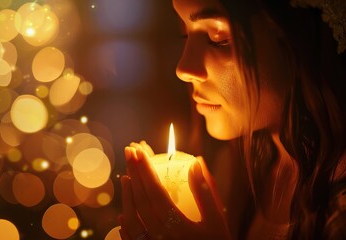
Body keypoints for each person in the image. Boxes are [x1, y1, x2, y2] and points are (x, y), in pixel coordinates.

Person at [118, 0, 346, 239]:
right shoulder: (236, 172)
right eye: (185, 35)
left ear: (300, 38)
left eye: (219, 39)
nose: (183, 69)